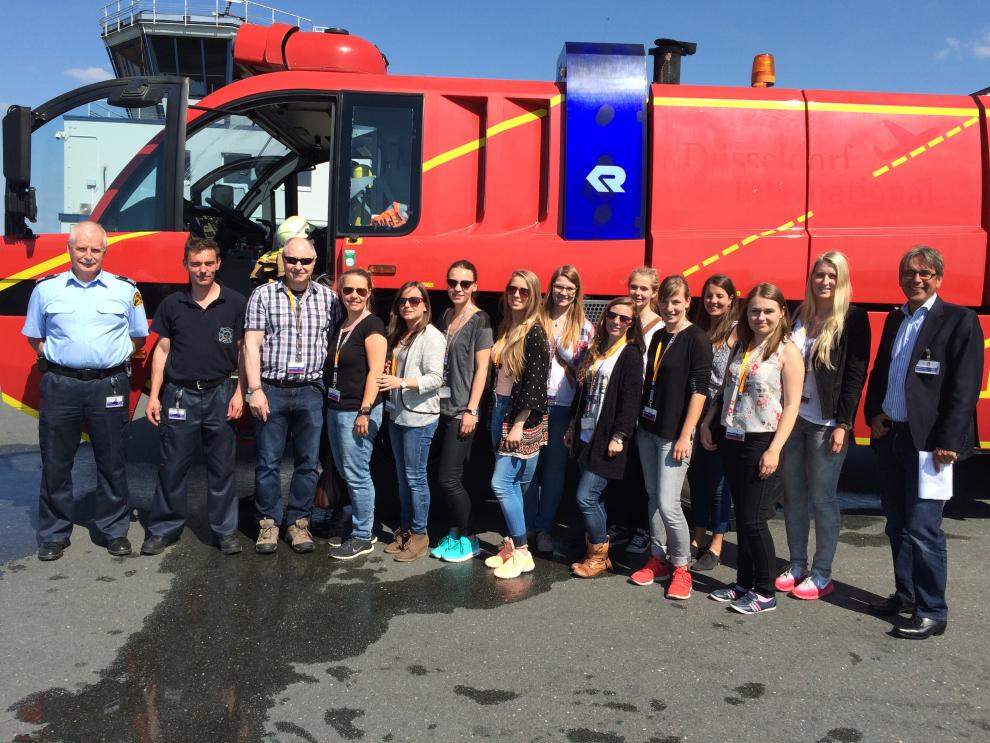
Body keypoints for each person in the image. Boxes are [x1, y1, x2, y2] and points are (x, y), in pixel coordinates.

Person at [863, 246, 983, 639]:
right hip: (893, 438)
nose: (916, 278)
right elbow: (884, 370)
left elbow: (965, 388)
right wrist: (874, 415)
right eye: (909, 272)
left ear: (939, 279)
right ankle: (906, 595)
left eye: (925, 273)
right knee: (896, 524)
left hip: (931, 446)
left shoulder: (959, 320)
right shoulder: (898, 318)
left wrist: (950, 439)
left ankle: (933, 609)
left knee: (923, 527)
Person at [23, 221, 149, 561]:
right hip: (61, 384)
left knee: (112, 460)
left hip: (108, 384)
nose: (88, 256)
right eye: (82, 249)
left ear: (104, 252)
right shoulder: (46, 289)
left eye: (95, 250)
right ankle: (54, 533)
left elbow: (138, 336)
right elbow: (35, 335)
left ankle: (113, 529)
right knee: (56, 461)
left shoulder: (125, 290)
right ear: (69, 250)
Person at [700, 282, 803, 615]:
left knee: (755, 520)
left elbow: (791, 407)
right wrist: (707, 422)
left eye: (768, 311)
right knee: (742, 518)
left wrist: (774, 449)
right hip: (733, 437)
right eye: (755, 311)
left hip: (763, 440)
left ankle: (764, 590)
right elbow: (724, 389)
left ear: (782, 313)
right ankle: (743, 583)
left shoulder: (788, 351)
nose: (761, 317)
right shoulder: (742, 345)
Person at [142, 237, 247, 556]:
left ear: (218, 264)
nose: (203, 270)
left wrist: (241, 392)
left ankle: (225, 531)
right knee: (172, 466)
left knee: (222, 468)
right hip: (179, 396)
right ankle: (163, 528)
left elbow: (245, 351)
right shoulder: (172, 304)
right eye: (196, 264)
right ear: (186, 265)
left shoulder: (236, 303)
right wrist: (154, 396)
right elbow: (161, 351)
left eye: (208, 263)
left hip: (220, 393)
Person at [778, 252, 871, 599]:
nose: (825, 281)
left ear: (842, 279)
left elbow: (854, 376)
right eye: (820, 274)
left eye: (832, 275)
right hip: (794, 420)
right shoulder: (800, 314)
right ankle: (797, 562)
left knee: (823, 498)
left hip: (826, 422)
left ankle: (822, 572)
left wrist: (843, 424)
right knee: (793, 496)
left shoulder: (853, 319)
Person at [243, 237, 343, 555]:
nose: (298, 266)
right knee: (268, 462)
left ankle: (299, 523)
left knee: (308, 463)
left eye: (306, 261)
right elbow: (251, 345)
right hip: (271, 389)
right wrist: (254, 390)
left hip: (312, 391)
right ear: (282, 261)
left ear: (315, 264)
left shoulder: (329, 299)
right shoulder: (263, 295)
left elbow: (344, 341)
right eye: (292, 260)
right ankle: (269, 523)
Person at [631, 275, 712, 600]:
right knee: (653, 498)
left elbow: (699, 391)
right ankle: (659, 556)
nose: (669, 307)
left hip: (673, 435)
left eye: (676, 301)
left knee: (669, 503)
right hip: (649, 429)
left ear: (687, 302)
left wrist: (685, 434)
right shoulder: (661, 336)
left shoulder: (697, 338)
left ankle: (681, 566)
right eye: (664, 301)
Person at [566, 297, 644, 578]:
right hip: (586, 434)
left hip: (607, 438)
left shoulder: (630, 353)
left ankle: (597, 556)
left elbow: (631, 400)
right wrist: (573, 425)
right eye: (613, 315)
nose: (618, 322)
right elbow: (583, 392)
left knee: (586, 496)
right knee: (594, 498)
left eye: (625, 319)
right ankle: (597, 555)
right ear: (605, 316)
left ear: (631, 325)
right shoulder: (597, 349)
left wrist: (620, 435)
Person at [484, 270, 551, 579]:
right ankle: (512, 543)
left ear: (534, 295)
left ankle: (523, 553)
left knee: (502, 483)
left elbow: (535, 386)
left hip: (518, 417)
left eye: (525, 291)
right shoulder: (510, 326)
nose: (517, 295)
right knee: (517, 483)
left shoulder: (534, 331)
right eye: (512, 288)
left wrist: (516, 425)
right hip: (500, 408)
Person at [525, 265, 594, 553]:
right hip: (530, 405)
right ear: (550, 287)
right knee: (527, 470)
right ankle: (525, 527)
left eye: (570, 288)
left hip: (562, 406)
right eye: (559, 286)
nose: (563, 292)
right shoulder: (535, 319)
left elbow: (587, 373)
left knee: (553, 472)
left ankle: (544, 528)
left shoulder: (584, 327)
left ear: (577, 292)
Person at [430, 260, 493, 563]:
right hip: (440, 407)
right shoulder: (445, 316)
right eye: (452, 282)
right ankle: (455, 532)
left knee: (449, 479)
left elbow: (482, 369)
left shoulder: (481, 320)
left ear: (475, 287)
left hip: (461, 411)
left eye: (464, 284)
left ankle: (469, 538)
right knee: (447, 477)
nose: (457, 288)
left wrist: (472, 409)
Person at [378, 282, 445, 562]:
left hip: (420, 418)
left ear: (426, 305)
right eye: (403, 300)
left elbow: (436, 379)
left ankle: (419, 535)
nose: (407, 305)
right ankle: (405, 530)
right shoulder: (401, 334)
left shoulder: (432, 336)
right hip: (398, 415)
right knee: (403, 477)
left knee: (416, 478)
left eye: (414, 301)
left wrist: (401, 381)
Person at [325, 268, 388, 560]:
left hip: (358, 412)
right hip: (337, 408)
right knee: (345, 471)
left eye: (361, 291)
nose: (354, 296)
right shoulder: (342, 325)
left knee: (357, 473)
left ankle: (363, 536)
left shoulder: (372, 325)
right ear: (341, 292)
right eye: (348, 290)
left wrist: (365, 411)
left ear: (369, 293)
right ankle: (361, 527)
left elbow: (376, 371)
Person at [612, 267, 667, 555]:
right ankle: (623, 523)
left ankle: (644, 530)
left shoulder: (660, 326)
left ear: (654, 293)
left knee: (644, 472)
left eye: (644, 289)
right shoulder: (624, 319)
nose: (638, 293)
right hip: (622, 401)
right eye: (634, 287)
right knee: (625, 467)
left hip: (646, 403)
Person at [687, 274, 738, 571]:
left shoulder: (735, 332)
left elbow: (729, 382)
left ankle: (717, 544)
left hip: (719, 410)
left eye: (719, 295)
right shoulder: (700, 329)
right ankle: (698, 536)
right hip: (696, 406)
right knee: (697, 478)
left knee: (719, 482)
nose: (713, 301)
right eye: (708, 296)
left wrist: (708, 419)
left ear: (731, 298)